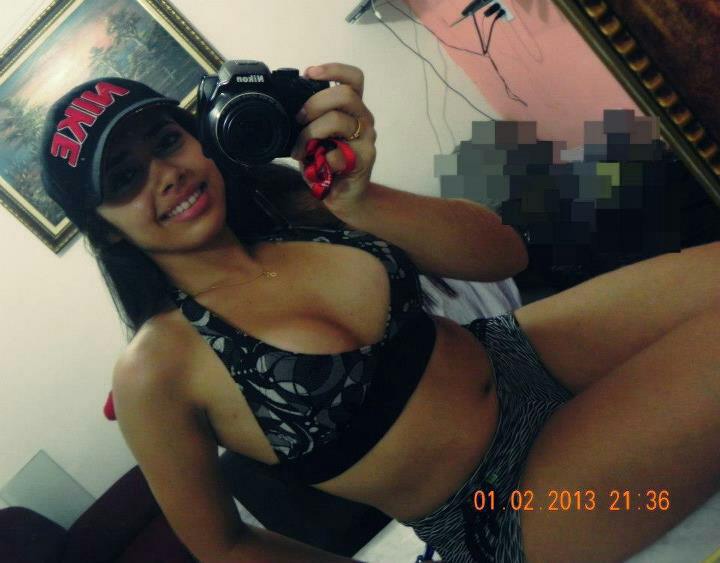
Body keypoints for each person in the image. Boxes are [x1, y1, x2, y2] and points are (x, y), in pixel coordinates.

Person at [41, 63, 720, 563]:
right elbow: (223, 545)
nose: (165, 174)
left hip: (519, 351)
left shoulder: (293, 206)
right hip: (500, 502)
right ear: (103, 227)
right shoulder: (155, 369)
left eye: (166, 141)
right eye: (124, 178)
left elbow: (504, 253)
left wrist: (360, 198)